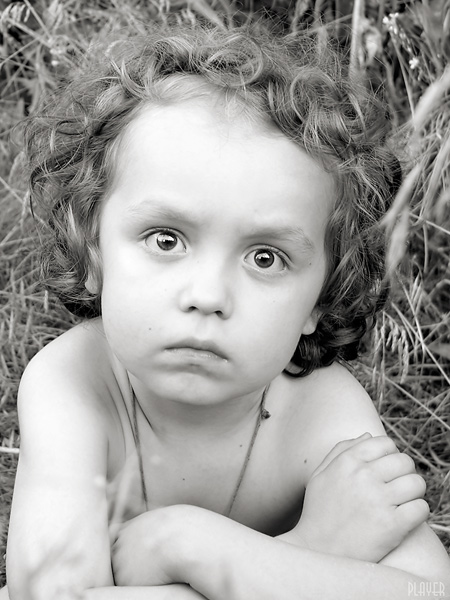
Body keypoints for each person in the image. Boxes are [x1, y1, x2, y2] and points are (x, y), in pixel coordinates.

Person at [3, 21, 450, 600]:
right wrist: (309, 550)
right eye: (166, 239)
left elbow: (425, 591)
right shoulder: (73, 385)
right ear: (94, 253)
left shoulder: (320, 412)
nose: (209, 295)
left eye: (266, 257)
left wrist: (181, 545)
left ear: (321, 295)